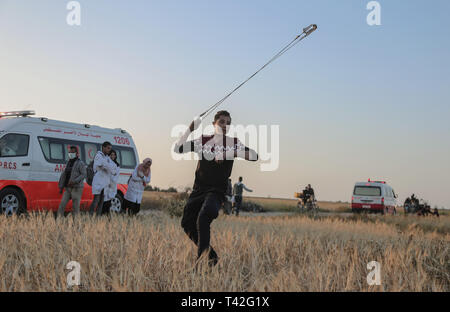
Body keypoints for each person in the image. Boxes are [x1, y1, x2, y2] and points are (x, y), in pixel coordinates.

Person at [174, 110, 258, 266]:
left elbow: (254, 155)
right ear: (214, 124)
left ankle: (200, 265)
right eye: (222, 122)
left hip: (217, 191)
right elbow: (178, 149)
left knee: (205, 216)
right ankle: (211, 257)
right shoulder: (202, 140)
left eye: (228, 123)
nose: (225, 125)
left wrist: (228, 153)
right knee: (187, 223)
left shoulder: (233, 143)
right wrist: (189, 129)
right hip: (198, 189)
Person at [57, 146, 86, 218]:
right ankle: (59, 222)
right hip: (67, 188)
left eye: (73, 152)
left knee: (75, 208)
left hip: (76, 188)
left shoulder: (80, 163)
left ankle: (76, 224)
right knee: (62, 205)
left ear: (76, 153)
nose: (71, 153)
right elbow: (64, 175)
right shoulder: (68, 162)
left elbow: (83, 174)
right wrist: (61, 186)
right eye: (70, 152)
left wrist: (75, 181)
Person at [88, 141, 114, 216]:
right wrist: (107, 167)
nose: (109, 150)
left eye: (110, 148)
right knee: (96, 201)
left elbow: (111, 167)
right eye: (108, 148)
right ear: (103, 147)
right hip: (98, 182)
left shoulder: (107, 157)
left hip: (104, 183)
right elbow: (105, 165)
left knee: (101, 202)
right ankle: (90, 216)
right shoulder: (98, 155)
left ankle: (98, 218)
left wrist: (106, 167)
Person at [101, 149, 120, 215]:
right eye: (111, 155)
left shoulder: (117, 165)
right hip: (105, 184)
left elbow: (116, 176)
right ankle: (103, 214)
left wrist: (111, 179)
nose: (113, 156)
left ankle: (107, 215)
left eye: (114, 155)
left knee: (109, 201)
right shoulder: (107, 163)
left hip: (112, 185)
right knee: (104, 201)